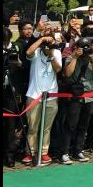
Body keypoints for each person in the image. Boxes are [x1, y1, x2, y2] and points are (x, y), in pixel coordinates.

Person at [22, 26, 63, 165]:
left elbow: (58, 70)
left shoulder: (56, 52)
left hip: (51, 95)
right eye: (45, 38)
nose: (47, 41)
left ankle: (44, 152)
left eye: (49, 38)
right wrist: (41, 39)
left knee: (46, 127)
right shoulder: (36, 52)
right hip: (34, 95)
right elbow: (28, 52)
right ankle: (30, 152)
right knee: (33, 127)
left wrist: (50, 54)